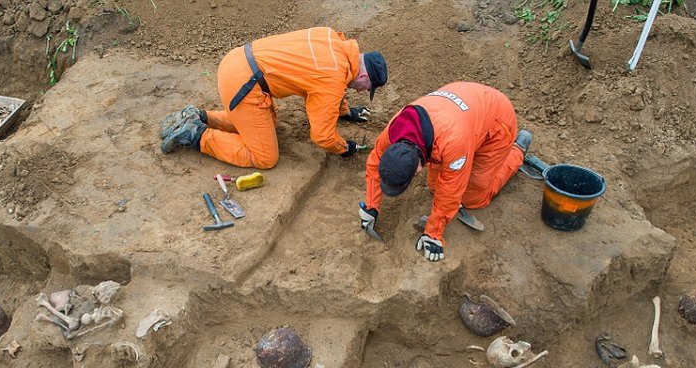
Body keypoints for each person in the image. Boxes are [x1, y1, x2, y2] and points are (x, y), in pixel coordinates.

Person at [159, 27, 388, 169]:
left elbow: (328, 82)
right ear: (364, 74)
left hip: (237, 62)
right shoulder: (334, 80)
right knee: (265, 157)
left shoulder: (331, 38)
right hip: (244, 86)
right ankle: (196, 135)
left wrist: (345, 112)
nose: (360, 91)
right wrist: (344, 147)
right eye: (366, 87)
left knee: (268, 126)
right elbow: (321, 136)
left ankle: (200, 117)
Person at [359, 82, 532, 262]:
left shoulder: (452, 141)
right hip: (462, 108)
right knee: (434, 187)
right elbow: (374, 163)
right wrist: (371, 206)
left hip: (496, 121)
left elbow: (451, 190)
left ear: (419, 168)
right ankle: (471, 151)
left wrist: (433, 233)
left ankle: (517, 150)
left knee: (472, 197)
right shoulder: (395, 128)